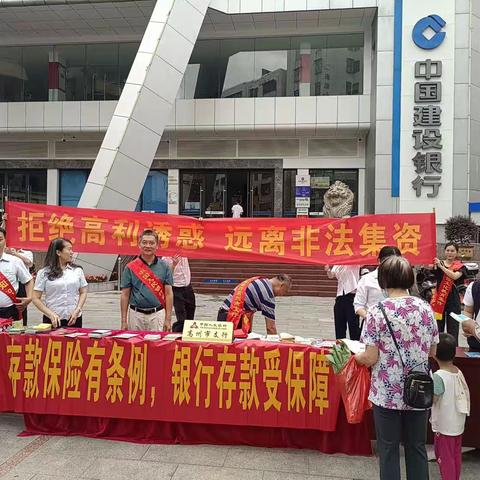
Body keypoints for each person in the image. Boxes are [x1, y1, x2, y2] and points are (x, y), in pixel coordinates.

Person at [355, 256, 438, 480]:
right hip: (419, 390)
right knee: (417, 447)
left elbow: (371, 357)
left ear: (383, 280)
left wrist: (356, 357)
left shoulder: (376, 311)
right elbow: (432, 353)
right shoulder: (425, 309)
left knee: (389, 449)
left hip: (386, 392)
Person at [432, 333, 470, 480]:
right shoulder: (458, 371)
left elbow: (433, 399)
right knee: (455, 456)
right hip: (458, 424)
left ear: (435, 354)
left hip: (444, 426)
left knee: (444, 458)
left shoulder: (438, 376)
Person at [120, 229, 174, 332]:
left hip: (157, 314)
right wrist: (123, 321)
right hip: (136, 315)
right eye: (144, 242)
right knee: (135, 346)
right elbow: (125, 294)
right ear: (139, 245)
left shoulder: (165, 267)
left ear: (157, 245)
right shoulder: (130, 267)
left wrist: (168, 319)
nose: (148, 246)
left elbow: (168, 294)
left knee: (157, 346)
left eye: (151, 243)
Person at [32, 238, 88, 328]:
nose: (72, 252)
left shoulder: (77, 270)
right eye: (69, 249)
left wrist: (77, 309)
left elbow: (83, 292)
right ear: (58, 252)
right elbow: (35, 298)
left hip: (74, 318)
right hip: (53, 320)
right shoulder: (44, 273)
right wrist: (50, 314)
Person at [217, 274, 292, 335]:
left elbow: (249, 309)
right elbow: (270, 328)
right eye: (284, 291)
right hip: (231, 318)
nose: (282, 295)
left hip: (224, 313)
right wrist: (276, 345)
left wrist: (249, 333)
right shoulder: (268, 295)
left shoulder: (260, 280)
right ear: (281, 286)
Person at [431, 243, 467, 344]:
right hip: (440, 300)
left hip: (453, 300)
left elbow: (454, 276)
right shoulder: (438, 264)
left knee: (453, 328)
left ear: (456, 252)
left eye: (452, 251)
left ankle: (454, 353)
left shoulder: (460, 266)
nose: (449, 253)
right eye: (447, 250)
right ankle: (438, 352)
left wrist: (441, 266)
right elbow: (432, 273)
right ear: (444, 251)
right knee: (438, 328)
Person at [354, 245, 402, 320]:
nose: (392, 265)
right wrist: (371, 319)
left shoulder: (402, 279)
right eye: (388, 261)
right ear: (379, 261)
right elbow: (358, 305)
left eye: (396, 262)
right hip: (373, 326)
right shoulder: (367, 279)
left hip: (397, 325)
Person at [0, 227, 33, 321]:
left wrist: (29, 297)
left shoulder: (15, 261)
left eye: (0, 239)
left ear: (5, 241)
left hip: (10, 311)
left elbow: (28, 280)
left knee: (11, 335)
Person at [324, 264, 360, 340]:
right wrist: (328, 270)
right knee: (339, 325)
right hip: (340, 296)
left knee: (353, 325)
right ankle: (340, 347)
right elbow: (331, 275)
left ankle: (356, 347)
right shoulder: (337, 265)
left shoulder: (354, 263)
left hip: (351, 296)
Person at [162, 254, 196, 333]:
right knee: (181, 317)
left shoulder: (183, 255)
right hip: (176, 288)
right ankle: (177, 333)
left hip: (188, 287)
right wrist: (174, 265)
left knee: (191, 312)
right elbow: (167, 277)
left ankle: (188, 334)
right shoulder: (165, 259)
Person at [5, 247, 33, 326]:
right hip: (8, 283)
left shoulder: (27, 252)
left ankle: (22, 325)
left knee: (21, 306)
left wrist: (15, 254)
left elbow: (29, 263)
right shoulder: (5, 250)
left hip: (22, 283)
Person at [461, 279, 480, 350]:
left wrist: (473, 329)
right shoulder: (474, 287)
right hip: (476, 345)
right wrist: (466, 324)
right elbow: (468, 311)